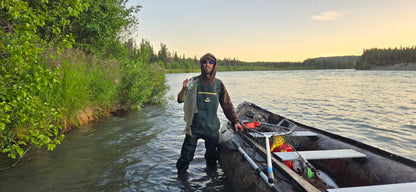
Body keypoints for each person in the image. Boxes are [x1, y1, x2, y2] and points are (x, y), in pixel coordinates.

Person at [176, 53, 243, 176]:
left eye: (210, 62)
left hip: (212, 128)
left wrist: (235, 121)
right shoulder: (193, 82)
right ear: (201, 64)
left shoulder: (219, 84)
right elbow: (180, 100)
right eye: (204, 62)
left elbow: (227, 105)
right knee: (186, 156)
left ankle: (211, 178)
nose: (207, 64)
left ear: (214, 65)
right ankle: (180, 177)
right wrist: (184, 89)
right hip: (193, 127)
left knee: (212, 157)